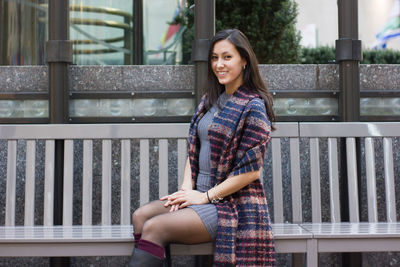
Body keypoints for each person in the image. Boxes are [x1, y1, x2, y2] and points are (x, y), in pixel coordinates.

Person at [129, 29, 276, 267]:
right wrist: (186, 190)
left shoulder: (253, 107)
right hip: (198, 193)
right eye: (215, 58)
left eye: (227, 57)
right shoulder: (210, 101)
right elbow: (193, 150)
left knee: (155, 226)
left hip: (230, 204)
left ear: (244, 60)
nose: (219, 64)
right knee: (141, 216)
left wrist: (205, 196)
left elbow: (251, 172)